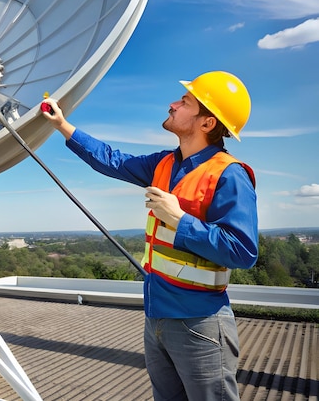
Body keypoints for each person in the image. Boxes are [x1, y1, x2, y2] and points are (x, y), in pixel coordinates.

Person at [41, 71, 258, 401]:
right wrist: (62, 125)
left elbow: (242, 251)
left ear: (207, 123)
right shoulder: (164, 163)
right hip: (156, 318)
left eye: (184, 102)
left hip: (199, 322)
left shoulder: (229, 174)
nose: (172, 104)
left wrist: (180, 220)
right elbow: (113, 161)